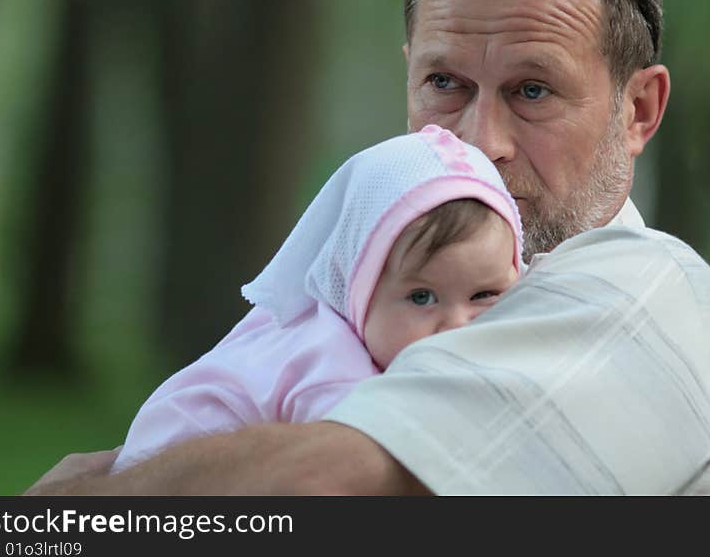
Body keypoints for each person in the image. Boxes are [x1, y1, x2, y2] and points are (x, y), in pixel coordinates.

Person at [25, 0, 710, 495]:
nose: (481, 141)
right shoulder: (377, 301)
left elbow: (326, 488)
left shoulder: (644, 290)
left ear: (637, 111)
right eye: (445, 83)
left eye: (532, 91)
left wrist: (101, 498)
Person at [111, 125, 522, 472]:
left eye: (485, 294)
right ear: (358, 290)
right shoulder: (330, 369)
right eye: (421, 297)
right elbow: (362, 475)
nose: (456, 326)